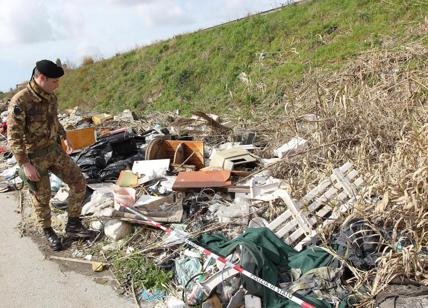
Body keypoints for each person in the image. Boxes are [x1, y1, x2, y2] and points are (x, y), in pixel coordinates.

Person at [7, 59, 92, 251]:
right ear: (41, 78)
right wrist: (25, 164)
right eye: (54, 81)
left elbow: (53, 119)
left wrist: (64, 135)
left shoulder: (51, 96)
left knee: (79, 181)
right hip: (34, 157)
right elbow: (14, 136)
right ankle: (48, 231)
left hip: (53, 150)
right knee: (42, 196)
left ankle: (73, 224)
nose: (57, 85)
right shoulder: (20, 101)